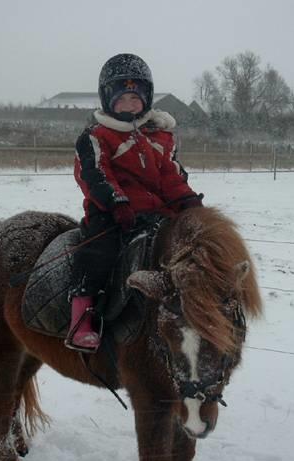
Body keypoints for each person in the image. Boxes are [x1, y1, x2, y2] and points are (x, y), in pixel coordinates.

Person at [68, 52, 203, 351]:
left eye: (135, 98)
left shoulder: (160, 137)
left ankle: (197, 313)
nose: (129, 105)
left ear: (147, 99)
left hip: (157, 215)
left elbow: (170, 175)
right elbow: (94, 174)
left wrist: (188, 201)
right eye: (122, 99)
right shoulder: (96, 136)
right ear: (108, 101)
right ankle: (82, 317)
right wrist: (117, 202)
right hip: (112, 214)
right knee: (98, 253)